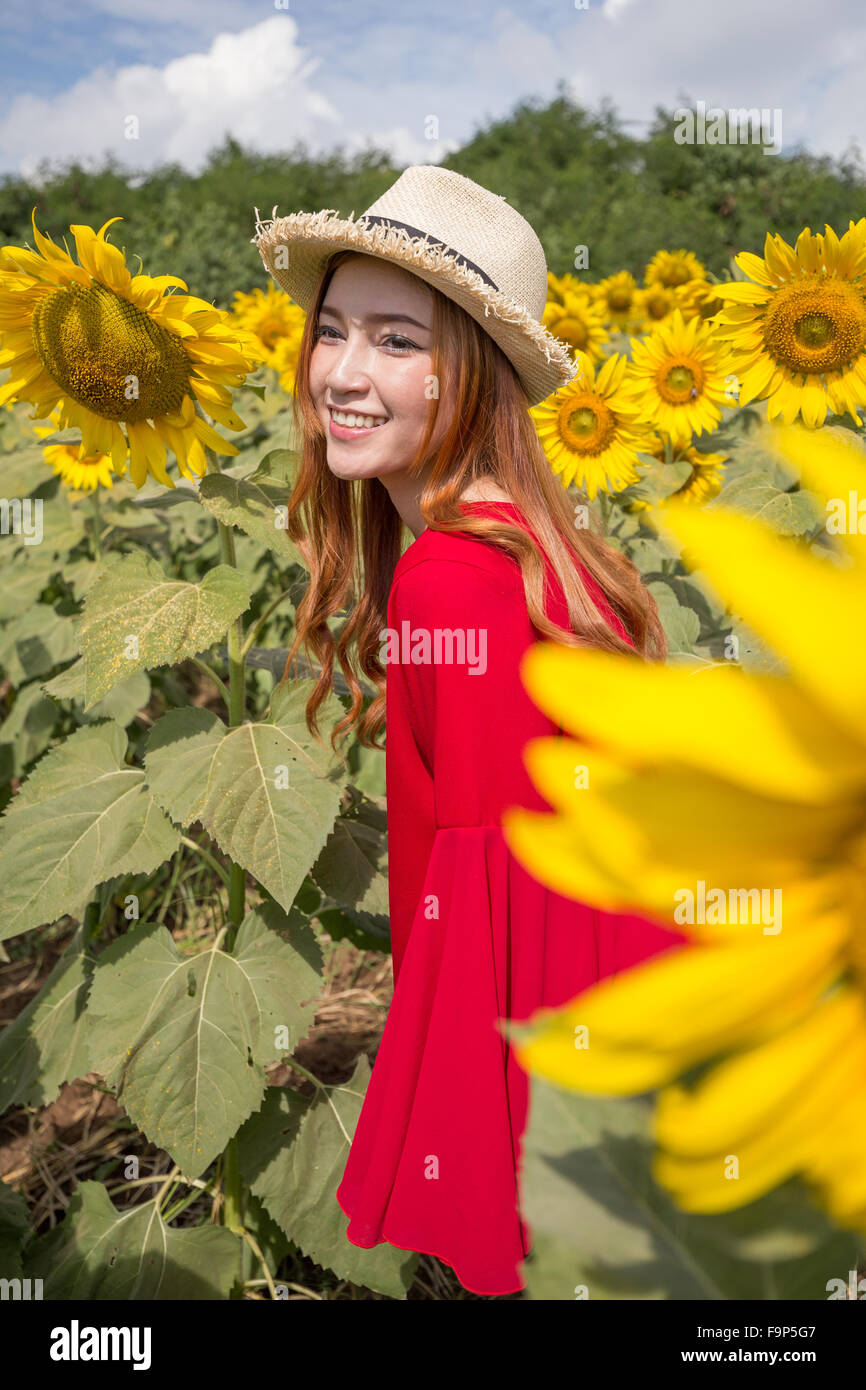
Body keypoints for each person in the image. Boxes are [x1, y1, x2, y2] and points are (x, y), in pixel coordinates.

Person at [252, 165, 689, 1296]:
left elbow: (505, 899)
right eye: (333, 330)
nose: (343, 375)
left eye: (398, 342)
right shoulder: (519, 543)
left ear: (471, 379)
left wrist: (496, 1176)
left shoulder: (451, 579)